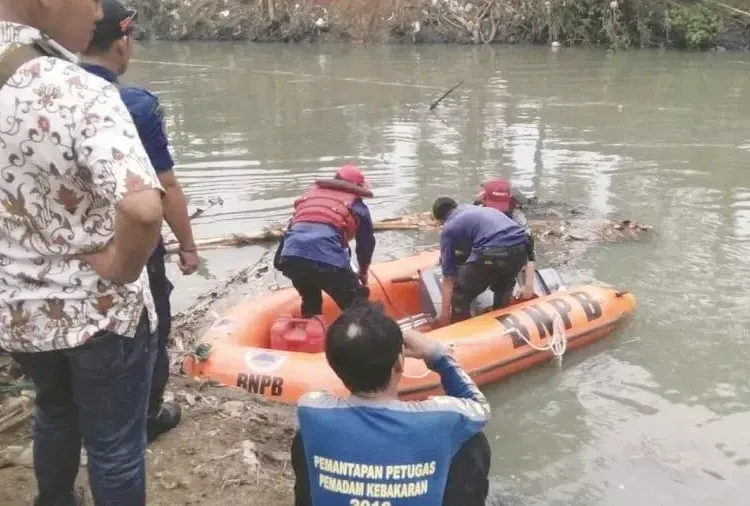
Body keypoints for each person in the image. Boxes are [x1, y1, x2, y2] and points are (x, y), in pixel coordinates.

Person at [0, 0, 165, 504]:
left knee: (54, 412)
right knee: (115, 447)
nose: (98, 13)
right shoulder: (77, 90)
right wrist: (120, 265)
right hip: (98, 316)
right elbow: (141, 209)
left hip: (18, 311)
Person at [79, 0, 200, 444]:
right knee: (150, 329)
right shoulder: (134, 104)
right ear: (123, 42)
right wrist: (187, 245)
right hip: (128, 251)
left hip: (64, 249)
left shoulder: (35, 91)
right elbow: (162, 188)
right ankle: (146, 415)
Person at [291, 301, 491, 506]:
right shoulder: (441, 418)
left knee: (304, 439)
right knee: (472, 439)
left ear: (334, 366)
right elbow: (479, 407)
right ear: (400, 363)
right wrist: (436, 354)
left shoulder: (311, 410)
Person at [275, 164, 375, 318]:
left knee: (310, 300)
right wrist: (362, 271)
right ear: (357, 187)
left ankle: (310, 331)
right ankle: (363, 337)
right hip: (326, 261)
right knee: (359, 308)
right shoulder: (357, 206)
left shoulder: (310, 197)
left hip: (290, 258)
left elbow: (292, 230)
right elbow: (365, 245)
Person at [432, 197, 531, 325]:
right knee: (504, 283)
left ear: (440, 220)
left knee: (459, 294)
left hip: (492, 251)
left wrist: (444, 316)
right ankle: (503, 322)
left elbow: (448, 279)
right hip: (521, 245)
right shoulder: (475, 209)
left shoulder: (448, 228)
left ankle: (459, 329)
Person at [474, 178, 537, 302]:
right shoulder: (475, 213)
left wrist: (528, 285)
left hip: (506, 257)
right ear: (484, 200)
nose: (498, 211)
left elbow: (530, 250)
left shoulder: (516, 217)